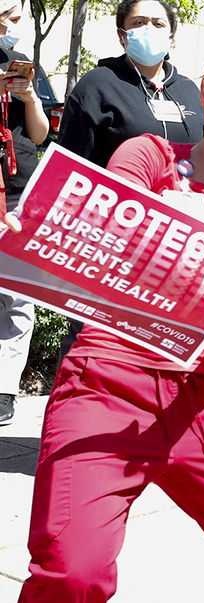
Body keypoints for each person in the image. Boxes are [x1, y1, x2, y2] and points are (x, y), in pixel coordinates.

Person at [12, 28, 204, 603]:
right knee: (75, 574)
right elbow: (105, 223)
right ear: (203, 91)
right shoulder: (150, 157)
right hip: (107, 384)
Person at [54, 0, 204, 366]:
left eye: (158, 22)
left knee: (160, 351)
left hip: (178, 246)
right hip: (112, 243)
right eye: (139, 22)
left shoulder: (190, 92)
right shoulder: (97, 86)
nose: (149, 29)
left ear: (172, 34)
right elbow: (71, 167)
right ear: (123, 34)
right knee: (96, 344)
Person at [0, 0, 49, 426]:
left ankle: (4, 388)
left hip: (19, 187)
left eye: (18, 19)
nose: (16, 27)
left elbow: (40, 133)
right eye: (9, 20)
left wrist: (29, 97)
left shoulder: (24, 63)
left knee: (17, 294)